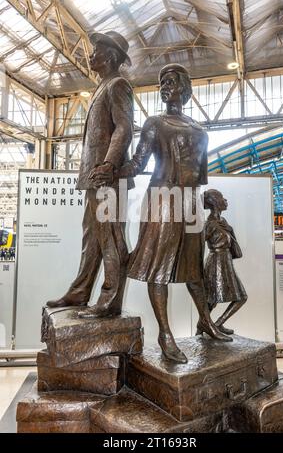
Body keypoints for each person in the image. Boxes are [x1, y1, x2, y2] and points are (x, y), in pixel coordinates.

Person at [106, 63, 231, 363]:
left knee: (193, 268)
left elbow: (200, 175)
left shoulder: (201, 130)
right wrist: (111, 169)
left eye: (172, 81)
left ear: (185, 89)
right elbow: (137, 163)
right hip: (162, 198)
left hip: (188, 201)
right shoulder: (154, 124)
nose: (165, 85)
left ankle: (206, 320)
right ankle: (165, 334)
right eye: (162, 81)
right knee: (158, 267)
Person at [47, 31, 134, 319]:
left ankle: (110, 300)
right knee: (92, 237)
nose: (91, 55)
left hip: (107, 176)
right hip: (96, 177)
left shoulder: (118, 85)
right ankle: (81, 291)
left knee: (110, 237)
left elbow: (124, 127)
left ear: (110, 57)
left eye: (96, 51)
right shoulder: (103, 86)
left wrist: (109, 164)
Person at [203, 189, 248, 334]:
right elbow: (198, 244)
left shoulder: (223, 222)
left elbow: (232, 244)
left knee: (240, 297)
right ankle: (205, 327)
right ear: (215, 202)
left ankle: (215, 324)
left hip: (226, 261)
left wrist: (231, 230)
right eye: (222, 198)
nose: (225, 201)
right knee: (212, 300)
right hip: (216, 263)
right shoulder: (210, 224)